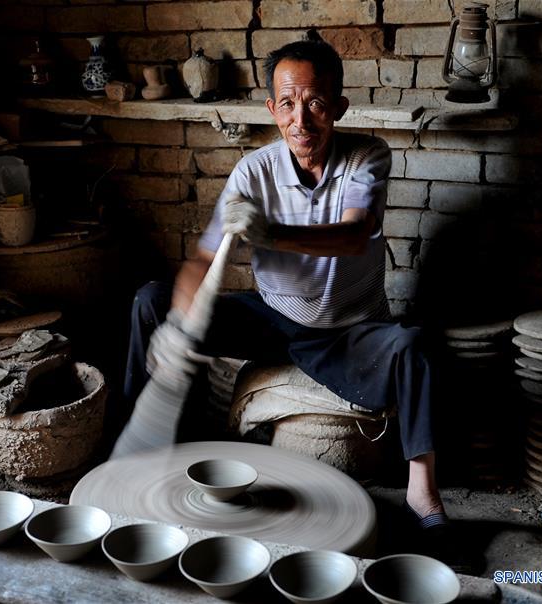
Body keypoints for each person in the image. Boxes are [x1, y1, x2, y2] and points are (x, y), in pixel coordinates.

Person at [122, 39, 462, 565]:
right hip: (272, 318)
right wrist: (177, 324)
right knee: (153, 301)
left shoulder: (366, 156)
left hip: (347, 332)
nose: (301, 120)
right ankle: (152, 458)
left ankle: (424, 495)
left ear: (339, 108)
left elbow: (354, 235)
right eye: (287, 103)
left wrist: (273, 234)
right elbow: (200, 264)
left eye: (316, 104)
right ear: (271, 109)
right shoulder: (252, 173)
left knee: (413, 346)